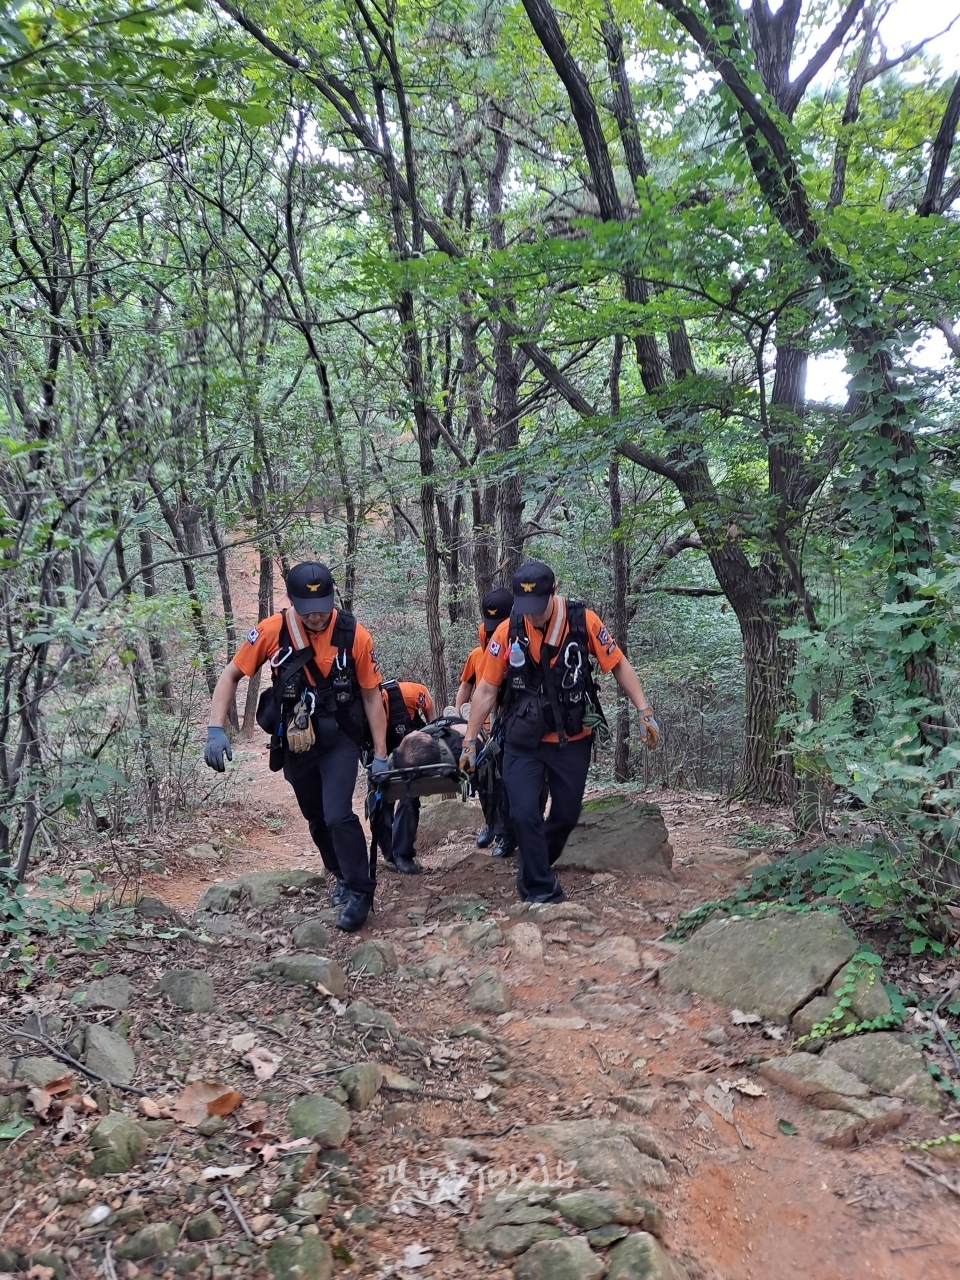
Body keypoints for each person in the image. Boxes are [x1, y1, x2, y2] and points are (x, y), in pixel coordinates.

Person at [202, 562, 388, 932]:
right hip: (297, 740)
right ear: (293, 603)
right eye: (308, 611)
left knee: (338, 814)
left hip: (340, 739)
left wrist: (380, 755)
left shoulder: (355, 636)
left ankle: (360, 891)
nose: (317, 617)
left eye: (323, 608)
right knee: (316, 817)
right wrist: (214, 728)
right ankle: (338, 873)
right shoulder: (272, 631)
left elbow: (371, 697)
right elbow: (231, 674)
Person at [460, 560, 659, 904]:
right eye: (526, 609)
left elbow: (618, 665)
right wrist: (468, 742)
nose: (533, 616)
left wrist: (645, 710)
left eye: (538, 607)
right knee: (524, 814)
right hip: (523, 741)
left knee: (565, 816)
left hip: (572, 740)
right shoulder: (508, 631)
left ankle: (532, 866)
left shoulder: (585, 622)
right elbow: (486, 689)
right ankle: (540, 889)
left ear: (553, 592)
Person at [454, 586, 514, 855]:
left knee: (514, 778)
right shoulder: (479, 649)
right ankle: (495, 826)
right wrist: (460, 718)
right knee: (486, 776)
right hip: (486, 724)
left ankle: (512, 831)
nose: (491, 632)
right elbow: (469, 686)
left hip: (515, 714)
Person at [376, 679, 436, 875]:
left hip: (410, 751)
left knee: (409, 796)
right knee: (379, 798)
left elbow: (427, 700)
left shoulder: (409, 693)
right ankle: (389, 854)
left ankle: (403, 853)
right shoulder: (359, 712)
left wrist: (432, 729)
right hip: (380, 754)